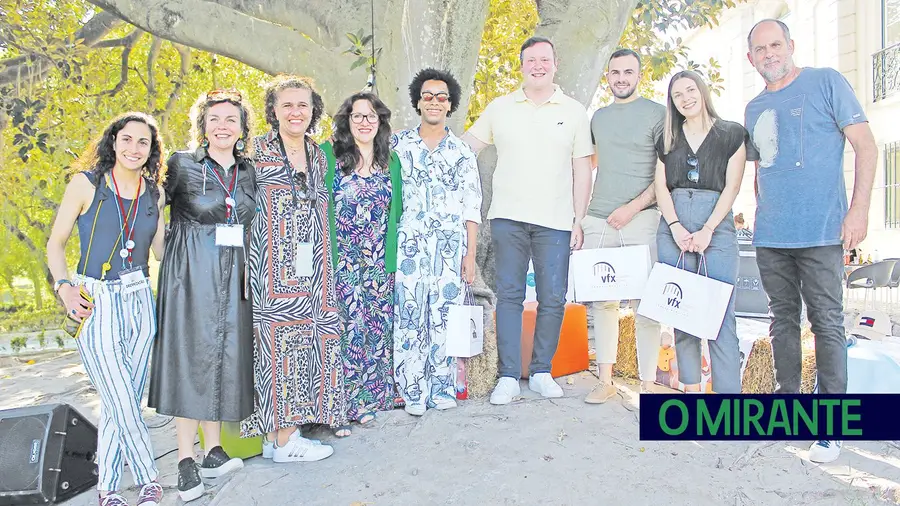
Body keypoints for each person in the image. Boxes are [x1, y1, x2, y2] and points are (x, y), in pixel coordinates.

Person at [744, 19, 877, 462]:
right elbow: (761, 171)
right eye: (760, 49)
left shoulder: (826, 82)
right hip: (772, 236)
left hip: (822, 231)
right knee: (782, 322)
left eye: (775, 44)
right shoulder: (753, 107)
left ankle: (830, 428)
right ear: (751, 58)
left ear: (791, 46)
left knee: (827, 323)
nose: (769, 54)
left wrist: (856, 212)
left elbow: (866, 146)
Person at [462, 36, 593, 405]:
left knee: (553, 298)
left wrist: (578, 218)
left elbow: (582, 168)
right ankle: (507, 375)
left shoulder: (574, 111)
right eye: (530, 59)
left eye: (544, 59)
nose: (538, 65)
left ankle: (540, 371)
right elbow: (463, 148)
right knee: (509, 297)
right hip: (507, 218)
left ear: (555, 64)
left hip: (556, 221)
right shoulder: (500, 108)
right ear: (521, 65)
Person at [47, 112, 167, 506]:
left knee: (125, 398)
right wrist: (63, 287)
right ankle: (150, 479)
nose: (134, 148)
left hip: (138, 298)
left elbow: (162, 252)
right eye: (127, 140)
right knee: (119, 393)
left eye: (143, 142)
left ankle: (108, 488)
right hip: (94, 298)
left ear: (152, 150)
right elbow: (56, 244)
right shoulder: (86, 184)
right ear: (113, 142)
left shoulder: (155, 194)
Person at [148, 90, 257, 502]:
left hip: (233, 272)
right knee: (191, 356)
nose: (223, 125)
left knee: (222, 354)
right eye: (215, 118)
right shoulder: (181, 164)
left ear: (242, 127)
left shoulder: (248, 171)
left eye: (231, 118)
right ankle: (185, 460)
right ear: (203, 125)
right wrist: (159, 251)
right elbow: (152, 205)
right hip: (191, 272)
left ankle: (213, 451)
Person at [239, 75, 339, 462]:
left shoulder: (316, 154)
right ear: (274, 111)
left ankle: (282, 434)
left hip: (313, 265)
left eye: (303, 105)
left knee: (305, 345)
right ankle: (283, 441)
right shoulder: (255, 150)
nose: (295, 112)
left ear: (313, 110)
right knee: (275, 348)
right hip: (269, 266)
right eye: (287, 105)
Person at [655, 70, 755, 395]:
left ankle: (728, 403)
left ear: (702, 90)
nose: (685, 98)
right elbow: (660, 186)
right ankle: (691, 393)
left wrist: (708, 228)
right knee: (683, 315)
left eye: (690, 90)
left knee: (720, 317)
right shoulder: (667, 137)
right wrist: (675, 227)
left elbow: (733, 186)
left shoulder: (731, 134)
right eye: (677, 95)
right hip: (675, 227)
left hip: (717, 228)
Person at [391, 68, 483, 415]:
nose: (434, 102)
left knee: (445, 316)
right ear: (417, 102)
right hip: (409, 246)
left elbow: (471, 206)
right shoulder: (397, 146)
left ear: (450, 105)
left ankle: (441, 388)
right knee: (410, 314)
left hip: (449, 247)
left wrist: (470, 256)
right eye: (427, 96)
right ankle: (412, 389)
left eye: (441, 97)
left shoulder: (462, 152)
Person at [581, 48, 666, 403]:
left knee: (647, 304)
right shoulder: (597, 118)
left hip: (642, 218)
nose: (621, 78)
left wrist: (632, 208)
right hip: (599, 218)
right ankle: (606, 381)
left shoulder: (659, 115)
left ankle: (647, 385)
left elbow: (666, 172)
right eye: (615, 72)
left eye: (628, 72)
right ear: (608, 77)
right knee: (603, 304)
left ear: (639, 76)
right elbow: (589, 166)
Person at [322, 92, 402, 434]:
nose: (365, 122)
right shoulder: (330, 156)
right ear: (347, 121)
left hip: (379, 261)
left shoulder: (391, 161)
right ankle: (346, 405)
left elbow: (397, 211)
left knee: (378, 328)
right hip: (344, 260)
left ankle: (377, 395)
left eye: (371, 116)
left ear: (380, 122)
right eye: (357, 116)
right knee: (348, 329)